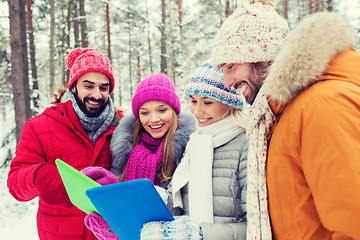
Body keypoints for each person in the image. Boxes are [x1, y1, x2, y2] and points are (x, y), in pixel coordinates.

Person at [212, 1, 360, 238]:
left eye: (231, 66)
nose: (227, 81)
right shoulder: (280, 117)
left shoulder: (321, 106)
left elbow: (353, 222)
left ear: (264, 58)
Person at [7, 47, 124, 240]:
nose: (96, 94)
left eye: (103, 88)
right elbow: (15, 185)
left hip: (109, 234)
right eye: (88, 86)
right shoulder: (39, 127)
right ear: (74, 85)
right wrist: (39, 176)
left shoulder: (123, 129)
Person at [140, 63, 249, 240]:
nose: (197, 111)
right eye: (193, 101)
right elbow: (181, 206)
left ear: (229, 102)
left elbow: (255, 226)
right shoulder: (196, 142)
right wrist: (160, 202)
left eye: (207, 102)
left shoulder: (246, 145)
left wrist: (200, 233)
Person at [83, 73, 196, 240]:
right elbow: (123, 213)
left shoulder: (188, 149)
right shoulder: (126, 150)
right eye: (145, 112)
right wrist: (110, 227)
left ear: (174, 110)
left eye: (162, 110)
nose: (154, 119)